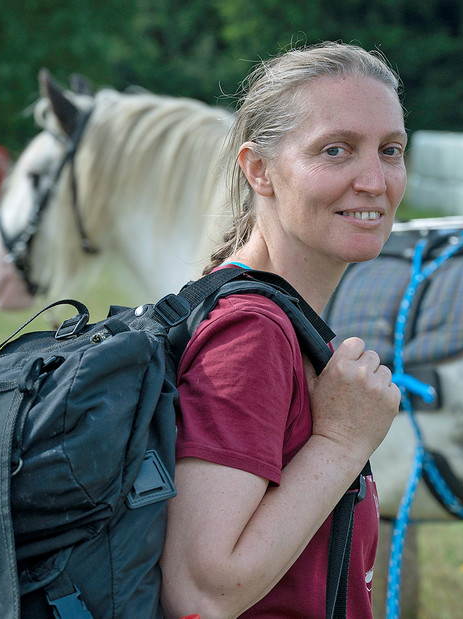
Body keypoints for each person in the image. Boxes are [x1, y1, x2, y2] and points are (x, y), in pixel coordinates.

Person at [159, 41, 407, 619]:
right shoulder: (253, 334)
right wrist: (341, 442)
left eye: (390, 150)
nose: (374, 180)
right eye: (337, 150)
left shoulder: (259, 309)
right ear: (259, 169)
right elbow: (201, 593)